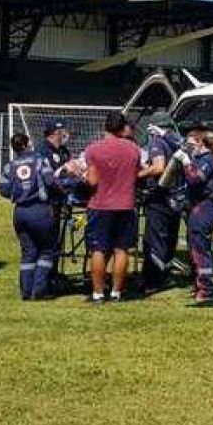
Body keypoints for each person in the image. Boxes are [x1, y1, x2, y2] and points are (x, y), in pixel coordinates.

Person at [83, 111, 142, 304]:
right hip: (126, 204)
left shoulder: (94, 149)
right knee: (121, 249)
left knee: (98, 250)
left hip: (100, 205)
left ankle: (98, 293)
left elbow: (92, 180)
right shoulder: (134, 149)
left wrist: (79, 174)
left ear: (105, 127)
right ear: (122, 127)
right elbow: (135, 174)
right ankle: (117, 292)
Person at [0, 133, 59, 301]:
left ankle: (26, 291)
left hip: (20, 212)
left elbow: (3, 189)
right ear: (27, 144)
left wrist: (18, 193)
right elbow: (50, 181)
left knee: (28, 252)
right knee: (47, 250)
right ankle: (39, 290)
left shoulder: (9, 166)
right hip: (39, 210)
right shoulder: (39, 161)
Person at [174, 124, 213, 304]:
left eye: (191, 145)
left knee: (200, 251)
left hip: (204, 208)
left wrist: (186, 162)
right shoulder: (203, 157)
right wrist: (164, 134)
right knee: (194, 248)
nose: (188, 149)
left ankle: (206, 289)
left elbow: (196, 179)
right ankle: (199, 285)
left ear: (201, 143)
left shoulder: (208, 161)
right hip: (199, 208)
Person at [137, 111, 183, 295]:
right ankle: (165, 275)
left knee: (154, 239)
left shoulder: (157, 142)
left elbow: (158, 167)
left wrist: (138, 174)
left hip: (160, 198)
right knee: (170, 239)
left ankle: (152, 280)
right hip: (175, 198)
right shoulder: (176, 143)